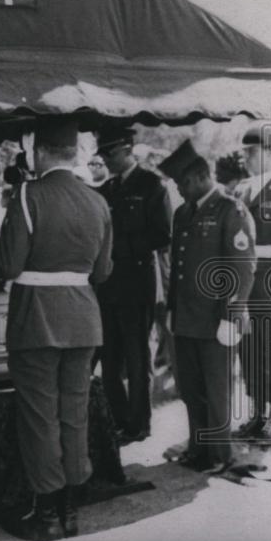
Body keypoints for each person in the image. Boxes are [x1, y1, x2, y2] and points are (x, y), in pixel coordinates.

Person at [0, 117, 113, 541]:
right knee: (74, 413)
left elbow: (9, 265)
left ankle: (46, 513)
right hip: (84, 319)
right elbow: (102, 272)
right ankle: (70, 510)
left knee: (40, 418)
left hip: (37, 319)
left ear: (39, 152)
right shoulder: (98, 201)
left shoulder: (29, 194)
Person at [160, 140, 256, 472]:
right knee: (191, 389)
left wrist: (232, 314)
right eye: (176, 183)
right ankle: (199, 449)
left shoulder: (231, 210)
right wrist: (172, 309)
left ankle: (221, 455)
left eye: (182, 183)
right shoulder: (182, 213)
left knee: (217, 392)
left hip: (217, 319)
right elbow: (179, 267)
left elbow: (241, 267)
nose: (179, 189)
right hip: (187, 318)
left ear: (201, 176)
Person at [94, 126, 172, 443]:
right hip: (109, 286)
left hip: (137, 283)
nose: (106, 160)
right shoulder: (105, 190)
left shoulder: (152, 186)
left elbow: (162, 235)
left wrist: (120, 247)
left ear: (127, 150)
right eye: (103, 154)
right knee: (109, 361)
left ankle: (139, 423)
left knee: (138, 359)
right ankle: (119, 417)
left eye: (110, 154)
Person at [234, 124, 271, 442]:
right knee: (249, 352)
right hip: (245, 286)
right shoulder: (241, 190)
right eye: (245, 152)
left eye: (252, 152)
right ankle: (257, 413)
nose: (246, 158)